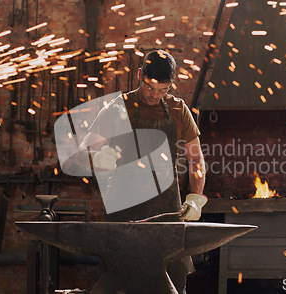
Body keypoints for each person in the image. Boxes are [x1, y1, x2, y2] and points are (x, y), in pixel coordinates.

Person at [79, 50, 207, 293]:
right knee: (120, 282)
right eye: (149, 87)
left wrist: (197, 198)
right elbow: (86, 149)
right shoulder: (118, 108)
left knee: (169, 284)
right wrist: (98, 156)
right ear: (140, 75)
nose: (154, 95)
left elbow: (196, 159)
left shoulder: (178, 110)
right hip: (124, 212)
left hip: (165, 213)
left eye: (163, 89)